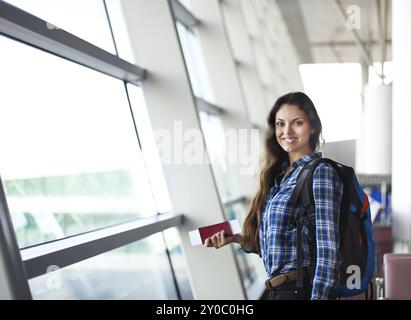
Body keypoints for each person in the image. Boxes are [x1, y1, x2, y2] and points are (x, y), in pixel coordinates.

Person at [204, 92, 344, 300]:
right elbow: (279, 247)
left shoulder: (320, 172)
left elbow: (328, 250)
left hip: (301, 292)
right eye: (280, 123)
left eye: (297, 123)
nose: (287, 131)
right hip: (279, 291)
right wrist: (236, 239)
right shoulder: (281, 177)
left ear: (313, 127)